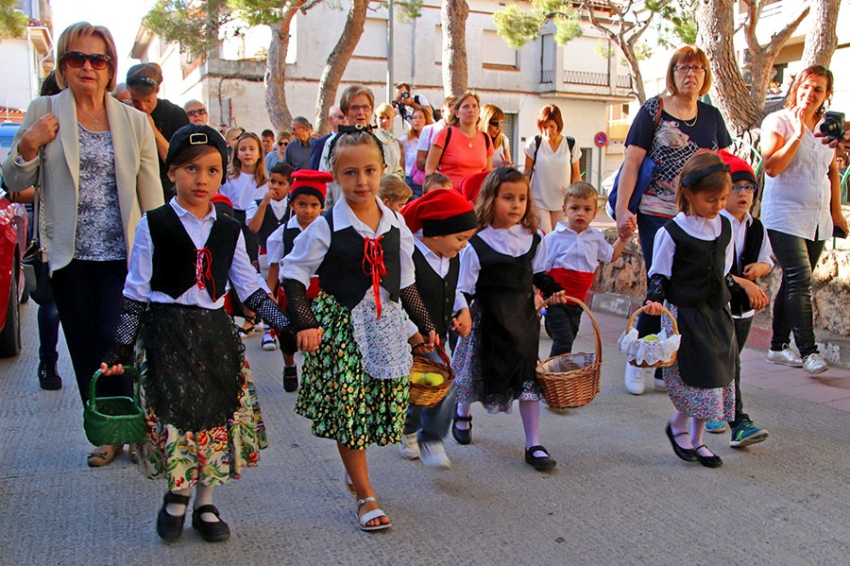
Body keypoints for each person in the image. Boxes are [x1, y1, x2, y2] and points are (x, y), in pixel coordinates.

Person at [99, 123, 295, 543]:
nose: (201, 179)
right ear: (171, 172)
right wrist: (120, 345)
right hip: (166, 335)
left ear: (221, 175)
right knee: (177, 421)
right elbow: (135, 291)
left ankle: (205, 501)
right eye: (190, 169)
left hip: (214, 336)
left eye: (210, 170)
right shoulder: (154, 225)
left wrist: (286, 325)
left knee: (216, 419)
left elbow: (250, 287)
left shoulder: (230, 229)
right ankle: (177, 495)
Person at [1, 22, 164, 466]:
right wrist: (30, 145)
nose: (87, 67)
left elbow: (152, 195)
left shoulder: (133, 121)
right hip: (69, 255)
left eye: (98, 59)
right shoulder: (44, 109)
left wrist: (160, 254)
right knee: (85, 347)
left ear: (111, 68)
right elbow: (13, 179)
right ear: (62, 66)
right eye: (77, 58)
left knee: (120, 342)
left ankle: (133, 426)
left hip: (122, 257)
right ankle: (106, 431)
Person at [282, 126, 436, 532]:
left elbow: (404, 281)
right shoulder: (325, 226)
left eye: (369, 170)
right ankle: (366, 495)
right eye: (350, 173)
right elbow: (293, 272)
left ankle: (356, 471)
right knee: (349, 406)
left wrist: (423, 326)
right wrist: (305, 320)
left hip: (383, 325)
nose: (361, 181)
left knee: (373, 404)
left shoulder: (396, 224)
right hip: (341, 327)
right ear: (336, 176)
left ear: (383, 169)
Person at [615, 45, 732, 395]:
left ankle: (669, 359)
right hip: (657, 213)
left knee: (686, 287)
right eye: (683, 67)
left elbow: (722, 166)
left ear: (705, 74)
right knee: (659, 282)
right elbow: (632, 163)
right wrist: (623, 210)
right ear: (673, 72)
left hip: (697, 218)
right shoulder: (655, 109)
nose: (690, 74)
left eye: (697, 68)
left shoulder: (711, 117)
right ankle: (641, 357)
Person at [643, 152, 757, 469]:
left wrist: (740, 291)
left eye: (723, 198)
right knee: (696, 378)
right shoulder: (672, 232)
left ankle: (698, 438)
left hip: (716, 313)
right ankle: (680, 428)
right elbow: (659, 274)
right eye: (710, 199)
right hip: (686, 315)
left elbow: (722, 272)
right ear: (688, 193)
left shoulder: (724, 227)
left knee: (715, 375)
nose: (718, 205)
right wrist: (654, 299)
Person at [450, 167, 566, 470]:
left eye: (522, 198)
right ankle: (462, 413)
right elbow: (463, 287)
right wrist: (462, 314)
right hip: (487, 319)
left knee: (527, 377)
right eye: (508, 198)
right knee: (475, 372)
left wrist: (553, 289)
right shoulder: (476, 243)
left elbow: (538, 273)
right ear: (490, 199)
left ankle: (533, 443)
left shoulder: (534, 238)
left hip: (523, 320)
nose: (516, 205)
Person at [760, 65, 849, 375]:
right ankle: (809, 351)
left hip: (817, 216)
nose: (810, 93)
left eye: (818, 89)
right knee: (801, 278)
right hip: (784, 214)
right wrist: (796, 136)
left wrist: (836, 212)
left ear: (827, 95)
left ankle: (777, 346)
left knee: (792, 280)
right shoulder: (778, 121)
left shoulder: (827, 128)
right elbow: (772, 166)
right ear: (796, 87)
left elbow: (833, 171)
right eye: (806, 86)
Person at [399, 188, 477, 468]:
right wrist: (413, 333)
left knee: (424, 387)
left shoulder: (452, 256)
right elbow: (396, 298)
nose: (464, 245)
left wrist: (463, 310)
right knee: (442, 384)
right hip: (409, 337)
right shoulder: (408, 256)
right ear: (435, 234)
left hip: (437, 336)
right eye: (460, 238)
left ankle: (409, 428)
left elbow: (453, 289)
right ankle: (430, 438)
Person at [701, 150, 771, 445]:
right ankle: (738, 421)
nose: (744, 194)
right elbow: (717, 270)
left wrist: (761, 268)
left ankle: (713, 405)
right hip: (719, 305)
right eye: (737, 187)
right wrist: (746, 283)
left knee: (730, 359)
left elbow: (769, 258)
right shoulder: (717, 225)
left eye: (749, 188)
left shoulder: (756, 227)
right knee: (730, 362)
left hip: (743, 309)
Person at [542, 182, 627, 357]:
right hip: (556, 299)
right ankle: (553, 377)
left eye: (587, 209)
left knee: (570, 337)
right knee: (563, 340)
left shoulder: (595, 237)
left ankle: (556, 372)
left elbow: (610, 255)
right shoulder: (553, 238)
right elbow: (542, 269)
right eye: (575, 208)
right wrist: (543, 295)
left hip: (578, 303)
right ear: (564, 210)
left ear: (595, 213)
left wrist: (624, 239)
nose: (581, 213)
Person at [266, 170, 331, 391]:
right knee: (288, 336)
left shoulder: (328, 231)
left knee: (318, 338)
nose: (308, 210)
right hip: (292, 294)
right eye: (302, 204)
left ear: (321, 207)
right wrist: (269, 293)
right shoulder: (281, 233)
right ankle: (289, 364)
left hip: (321, 294)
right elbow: (275, 266)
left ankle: (315, 375)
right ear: (292, 205)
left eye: (314, 205)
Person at [318, 85, 404, 207]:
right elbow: (325, 181)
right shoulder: (333, 143)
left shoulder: (387, 140)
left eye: (365, 107)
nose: (361, 112)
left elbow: (398, 173)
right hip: (343, 211)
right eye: (355, 108)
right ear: (345, 111)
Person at [126, 62, 190, 200]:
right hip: (133, 191)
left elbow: (177, 161)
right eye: (136, 101)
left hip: (167, 191)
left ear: (157, 91)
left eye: (148, 101)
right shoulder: (124, 113)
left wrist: (152, 129)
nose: (142, 107)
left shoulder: (174, 114)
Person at [523, 104, 581, 233]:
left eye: (552, 127)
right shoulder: (534, 143)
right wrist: (523, 196)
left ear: (559, 125)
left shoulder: (570, 144)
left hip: (563, 201)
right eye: (544, 127)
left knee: (562, 238)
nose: (548, 131)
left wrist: (575, 193)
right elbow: (527, 172)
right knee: (546, 238)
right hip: (539, 200)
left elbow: (576, 173)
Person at [247, 161, 293, 318]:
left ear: (289, 186)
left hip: (288, 255)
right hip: (266, 255)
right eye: (272, 181)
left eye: (281, 183)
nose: (275, 186)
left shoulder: (293, 206)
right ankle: (267, 330)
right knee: (267, 289)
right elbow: (253, 227)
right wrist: (264, 204)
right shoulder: (257, 204)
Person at [425, 91, 494, 191]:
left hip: (477, 200)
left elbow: (487, 174)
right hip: (450, 197)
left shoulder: (486, 138)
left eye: (474, 106)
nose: (471, 110)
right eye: (466, 106)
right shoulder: (444, 135)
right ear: (457, 113)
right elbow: (430, 169)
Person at [219, 131, 268, 267]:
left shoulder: (264, 182)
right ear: (237, 153)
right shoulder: (229, 178)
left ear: (259, 153)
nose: (247, 153)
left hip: (254, 222)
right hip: (233, 217)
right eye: (243, 149)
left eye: (252, 149)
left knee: (250, 258)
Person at [416, 96, 455, 176]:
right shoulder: (429, 130)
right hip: (435, 181)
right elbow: (420, 161)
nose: (454, 117)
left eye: (456, 113)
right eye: (451, 112)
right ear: (443, 111)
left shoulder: (460, 132)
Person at [403, 107, 433, 197]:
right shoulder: (405, 140)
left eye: (420, 117)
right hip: (410, 180)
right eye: (414, 117)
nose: (417, 120)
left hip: (427, 181)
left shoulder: (432, 138)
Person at [310, 104, 346, 170]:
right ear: (330, 119)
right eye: (341, 117)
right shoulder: (320, 143)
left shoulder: (354, 140)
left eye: (347, 117)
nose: (344, 120)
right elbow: (315, 171)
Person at [376, 103, 405, 178]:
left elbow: (400, 169)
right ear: (375, 120)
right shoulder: (371, 140)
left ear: (392, 121)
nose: (385, 121)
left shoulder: (397, 143)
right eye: (381, 118)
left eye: (388, 118)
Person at [480, 104, 513, 168]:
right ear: (485, 122)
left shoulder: (503, 140)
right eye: (495, 123)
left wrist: (509, 166)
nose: (499, 128)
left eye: (501, 123)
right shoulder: (475, 140)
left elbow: (509, 167)